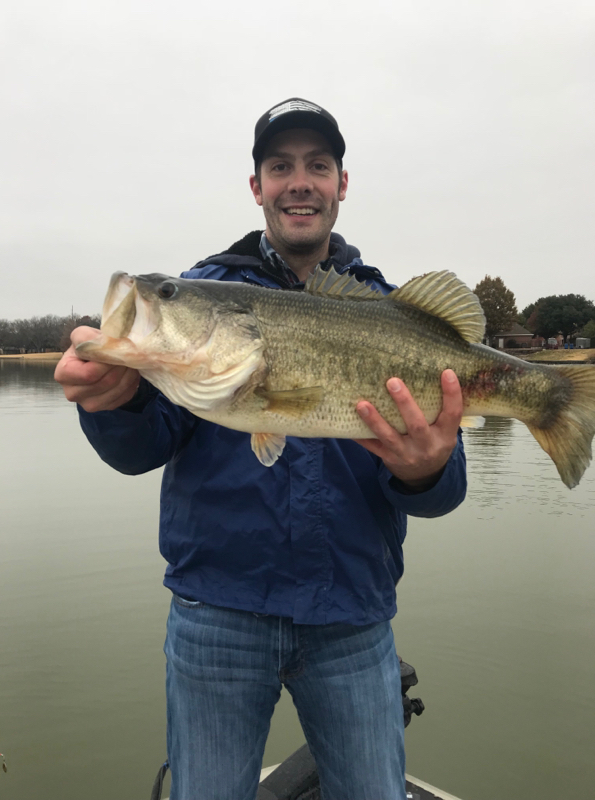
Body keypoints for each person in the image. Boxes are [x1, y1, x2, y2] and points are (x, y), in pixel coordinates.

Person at [55, 98, 467, 800]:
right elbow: (139, 449)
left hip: (353, 616)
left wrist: (427, 471)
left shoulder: (392, 311)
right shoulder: (208, 293)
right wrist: (116, 402)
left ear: (342, 184)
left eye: (318, 165)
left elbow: (445, 487)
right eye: (281, 166)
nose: (299, 181)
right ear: (257, 187)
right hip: (216, 613)